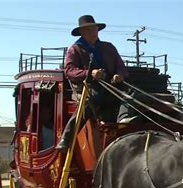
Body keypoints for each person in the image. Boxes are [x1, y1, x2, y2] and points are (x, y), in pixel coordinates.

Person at [56, 15, 130, 151]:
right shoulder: (75, 49)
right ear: (82, 32)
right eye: (89, 30)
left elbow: (121, 67)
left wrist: (119, 75)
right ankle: (66, 138)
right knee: (90, 100)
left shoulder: (108, 47)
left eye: (94, 29)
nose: (93, 32)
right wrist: (90, 73)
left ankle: (123, 120)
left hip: (111, 86)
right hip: (87, 87)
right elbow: (69, 71)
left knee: (130, 94)